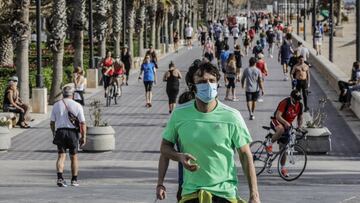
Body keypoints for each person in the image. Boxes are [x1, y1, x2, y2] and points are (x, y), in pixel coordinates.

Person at [159, 62, 260, 203]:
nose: (208, 85)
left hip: (224, 194)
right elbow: (164, 147)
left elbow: (245, 154)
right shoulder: (179, 115)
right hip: (191, 194)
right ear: (192, 86)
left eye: (212, 81)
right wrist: (178, 157)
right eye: (202, 82)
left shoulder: (232, 116)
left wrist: (254, 194)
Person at [50, 86, 86, 187]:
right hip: (72, 133)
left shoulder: (56, 105)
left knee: (61, 156)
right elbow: (82, 123)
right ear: (73, 94)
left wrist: (54, 133)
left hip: (60, 132)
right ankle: (74, 180)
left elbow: (52, 122)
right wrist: (84, 137)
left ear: (63, 94)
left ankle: (60, 178)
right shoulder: (77, 105)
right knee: (74, 157)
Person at [265, 90, 303, 177]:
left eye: (298, 99)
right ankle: (268, 144)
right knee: (281, 129)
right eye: (296, 99)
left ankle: (283, 168)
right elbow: (278, 115)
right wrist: (285, 123)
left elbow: (300, 117)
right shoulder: (285, 102)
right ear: (291, 97)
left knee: (284, 148)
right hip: (277, 121)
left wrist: (299, 127)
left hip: (287, 126)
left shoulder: (300, 105)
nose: (297, 101)